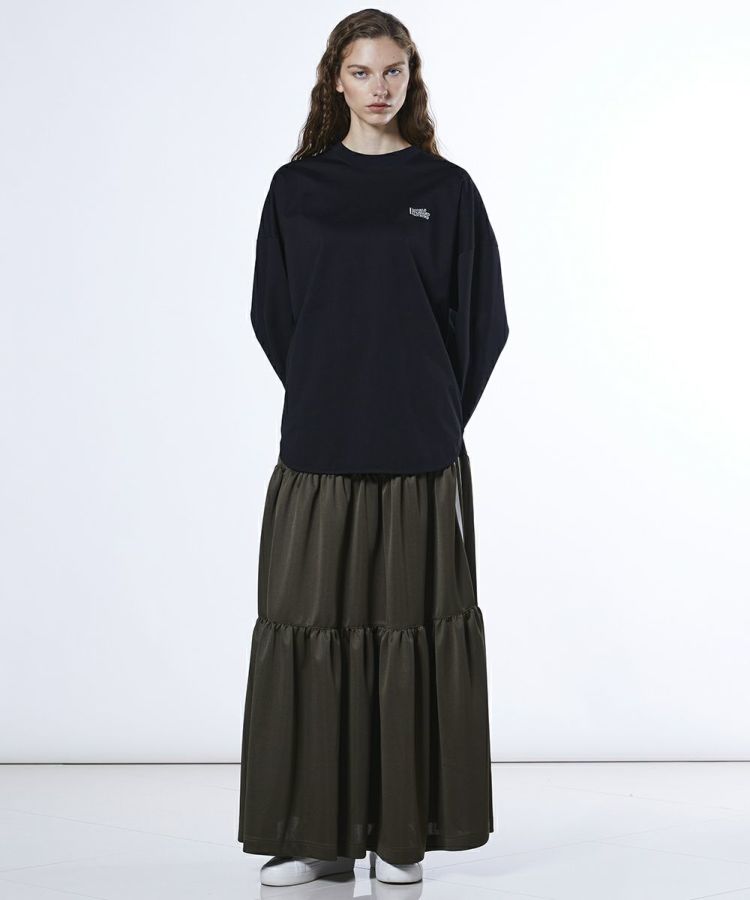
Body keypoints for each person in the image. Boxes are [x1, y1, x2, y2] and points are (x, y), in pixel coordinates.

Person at [238, 8, 509, 888]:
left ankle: (399, 838)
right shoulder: (297, 188)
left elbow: (485, 323)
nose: (379, 87)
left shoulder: (448, 189)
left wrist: (429, 407)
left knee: (403, 637)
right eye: (362, 71)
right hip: (320, 447)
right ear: (336, 80)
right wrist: (333, 388)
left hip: (418, 452)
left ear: (410, 77)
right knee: (314, 632)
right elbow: (273, 315)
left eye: (393, 70)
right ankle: (322, 838)